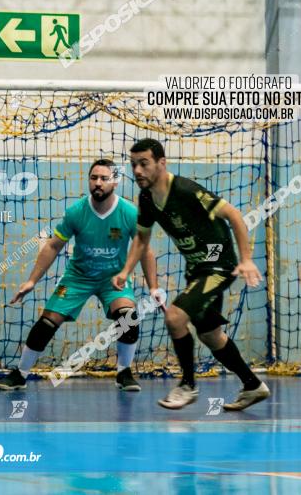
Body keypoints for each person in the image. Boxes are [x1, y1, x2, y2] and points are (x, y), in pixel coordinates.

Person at [113, 138, 270, 411]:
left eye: (144, 163)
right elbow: (141, 238)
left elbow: (233, 215)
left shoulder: (185, 190)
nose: (137, 170)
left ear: (162, 163)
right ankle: (253, 385)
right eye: (134, 164)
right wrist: (126, 270)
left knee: (174, 317)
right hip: (197, 269)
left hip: (217, 264)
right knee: (210, 335)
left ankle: (187, 384)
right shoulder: (147, 198)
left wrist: (245, 259)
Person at [0, 159, 161, 392]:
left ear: (115, 182)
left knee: (128, 318)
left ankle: (123, 372)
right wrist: (32, 280)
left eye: (104, 178)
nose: (98, 183)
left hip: (113, 278)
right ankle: (20, 374)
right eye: (94, 178)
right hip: (78, 277)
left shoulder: (129, 212)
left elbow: (145, 249)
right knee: (46, 323)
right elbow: (53, 246)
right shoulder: (76, 212)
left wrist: (154, 288)